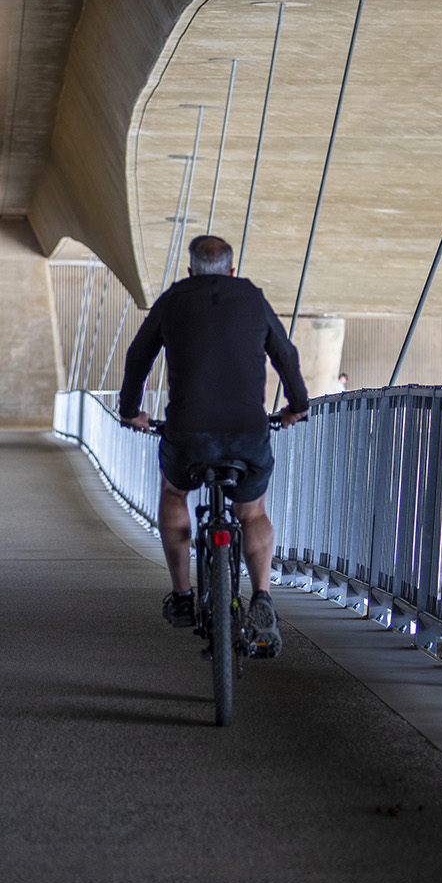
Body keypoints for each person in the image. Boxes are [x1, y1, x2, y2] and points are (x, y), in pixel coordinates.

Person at [118, 234, 309, 657]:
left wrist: (131, 410)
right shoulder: (252, 297)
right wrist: (297, 405)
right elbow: (286, 355)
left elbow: (138, 358)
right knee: (252, 511)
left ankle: (183, 596)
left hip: (188, 431)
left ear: (190, 272)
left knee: (174, 492)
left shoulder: (173, 299)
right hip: (247, 430)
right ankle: (262, 598)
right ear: (232, 270)